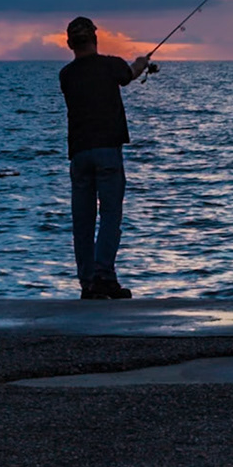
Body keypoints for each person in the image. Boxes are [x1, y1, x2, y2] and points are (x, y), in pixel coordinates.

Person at [57, 16, 152, 299]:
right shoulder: (110, 65)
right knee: (110, 215)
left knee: (82, 221)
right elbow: (129, 74)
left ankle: (88, 283)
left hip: (79, 154)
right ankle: (104, 276)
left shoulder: (66, 75)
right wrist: (141, 63)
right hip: (108, 151)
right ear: (95, 39)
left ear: (69, 43)